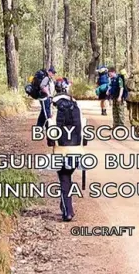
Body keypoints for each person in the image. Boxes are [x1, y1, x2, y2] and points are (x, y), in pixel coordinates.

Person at [47, 81, 88, 221]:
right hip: (77, 153)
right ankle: (65, 205)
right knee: (68, 179)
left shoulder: (55, 111)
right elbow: (85, 134)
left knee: (64, 180)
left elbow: (51, 137)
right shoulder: (77, 109)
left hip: (61, 152)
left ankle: (67, 211)